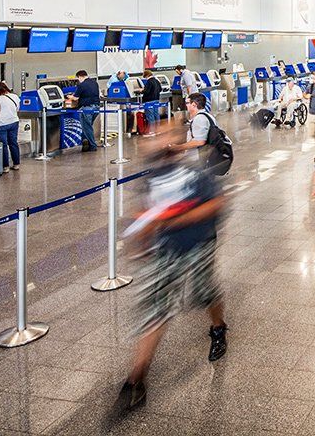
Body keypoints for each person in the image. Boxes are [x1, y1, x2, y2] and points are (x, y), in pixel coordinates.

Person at [119, 110, 228, 410]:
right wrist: (141, 242)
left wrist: (174, 220)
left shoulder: (195, 174)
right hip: (165, 250)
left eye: (161, 135)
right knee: (155, 312)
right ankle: (136, 380)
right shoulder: (151, 179)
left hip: (198, 244)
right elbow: (144, 212)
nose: (152, 139)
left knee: (205, 293)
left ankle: (218, 327)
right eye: (153, 135)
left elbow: (217, 205)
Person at [70, 70, 101, 151]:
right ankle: (85, 143)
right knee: (87, 126)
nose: (78, 80)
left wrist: (69, 97)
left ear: (80, 76)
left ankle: (92, 146)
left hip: (87, 109)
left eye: (78, 78)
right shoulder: (94, 82)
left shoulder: (82, 85)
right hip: (97, 108)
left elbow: (75, 98)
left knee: (87, 127)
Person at [141, 69, 162, 136]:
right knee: (156, 115)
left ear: (146, 75)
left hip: (149, 100)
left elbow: (146, 91)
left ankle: (151, 131)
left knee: (150, 116)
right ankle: (157, 130)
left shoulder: (149, 81)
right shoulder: (156, 80)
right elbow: (160, 89)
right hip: (156, 99)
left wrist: (141, 91)